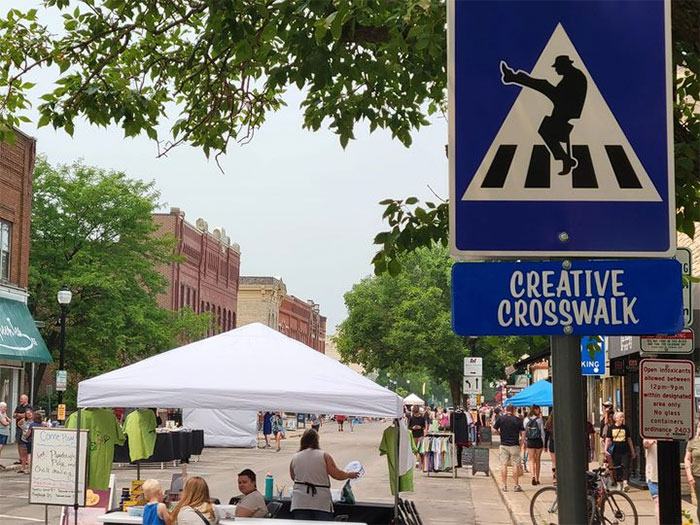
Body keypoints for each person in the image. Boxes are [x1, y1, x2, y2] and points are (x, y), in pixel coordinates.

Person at [501, 54, 587, 175]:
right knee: (543, 86)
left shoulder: (574, 76)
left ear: (564, 66)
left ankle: (565, 159)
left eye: (557, 67)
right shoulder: (572, 75)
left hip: (567, 108)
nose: (556, 70)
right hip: (564, 106)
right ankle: (513, 77)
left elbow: (567, 95)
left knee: (543, 86)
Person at [289, 429, 358, 520]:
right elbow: (337, 474)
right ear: (316, 440)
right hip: (320, 501)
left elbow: (293, 476)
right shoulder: (324, 456)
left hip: (300, 501)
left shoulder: (295, 457)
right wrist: (349, 475)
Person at [493, 404, 524, 492]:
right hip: (514, 444)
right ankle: (516, 485)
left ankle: (504, 485)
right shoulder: (518, 420)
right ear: (513, 410)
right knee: (515, 465)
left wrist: (500, 433)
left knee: (503, 464)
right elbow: (523, 432)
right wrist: (522, 442)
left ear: (506, 410)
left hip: (503, 445)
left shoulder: (501, 419)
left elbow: (494, 430)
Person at [604, 411, 636, 491]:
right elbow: (608, 440)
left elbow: (629, 440)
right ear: (616, 419)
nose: (622, 418)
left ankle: (625, 483)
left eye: (623, 417)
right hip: (615, 451)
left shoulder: (626, 428)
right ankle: (619, 483)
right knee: (617, 467)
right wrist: (605, 450)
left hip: (625, 450)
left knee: (625, 465)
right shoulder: (611, 428)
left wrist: (632, 451)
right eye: (621, 417)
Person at [524, 405, 545, 485]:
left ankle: (532, 476)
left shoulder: (526, 419)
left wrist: (525, 441)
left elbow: (525, 431)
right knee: (538, 460)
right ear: (536, 410)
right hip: (538, 440)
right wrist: (544, 443)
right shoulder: (539, 420)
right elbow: (542, 432)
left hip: (530, 441)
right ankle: (537, 478)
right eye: (538, 409)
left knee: (531, 459)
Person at [684, 421, 700, 524]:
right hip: (697, 476)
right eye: (699, 426)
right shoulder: (693, 441)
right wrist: (689, 475)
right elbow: (687, 458)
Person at [643, 439, 658, 524]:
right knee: (657, 502)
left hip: (667, 475)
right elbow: (645, 444)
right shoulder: (649, 435)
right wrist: (649, 443)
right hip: (652, 475)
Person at [13, 394, 31, 463]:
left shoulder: (29, 407)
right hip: (18, 427)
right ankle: (21, 458)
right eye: (20, 399)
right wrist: (21, 415)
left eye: (21, 399)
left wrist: (18, 415)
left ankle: (26, 459)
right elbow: (14, 415)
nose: (20, 400)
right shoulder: (18, 407)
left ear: (26, 399)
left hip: (26, 428)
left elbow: (27, 415)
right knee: (19, 443)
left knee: (25, 443)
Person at [544, 411, 555, 485]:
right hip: (560, 444)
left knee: (554, 462)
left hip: (552, 444)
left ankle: (554, 478)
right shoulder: (561, 423)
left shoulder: (548, 424)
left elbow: (546, 437)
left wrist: (545, 446)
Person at [0, 401, 11, 468]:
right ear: (1, 407)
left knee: (1, 447)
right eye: (5, 407)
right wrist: (8, 422)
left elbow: (9, 420)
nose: (6, 409)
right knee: (0, 447)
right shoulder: (0, 415)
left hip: (4, 433)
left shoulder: (3, 414)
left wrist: (6, 417)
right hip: (1, 432)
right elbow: (5, 423)